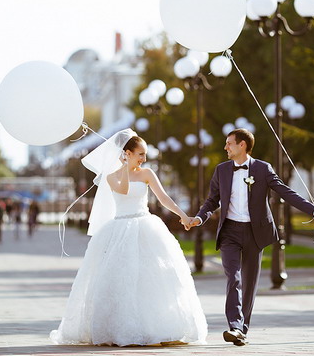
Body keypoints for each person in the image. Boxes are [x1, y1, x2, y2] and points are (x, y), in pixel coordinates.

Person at [50, 129, 207, 346]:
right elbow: (123, 190)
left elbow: (163, 198)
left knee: (151, 278)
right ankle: (121, 329)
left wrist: (183, 216)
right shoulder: (113, 177)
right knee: (121, 279)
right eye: (140, 154)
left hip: (145, 225)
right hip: (119, 230)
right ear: (127, 153)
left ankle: (155, 327)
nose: (143, 158)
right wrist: (124, 167)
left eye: (144, 154)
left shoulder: (147, 173)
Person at [186, 128, 314, 346]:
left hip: (255, 232)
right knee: (233, 276)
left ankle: (242, 331)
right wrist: (199, 219)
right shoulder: (221, 170)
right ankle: (235, 326)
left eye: (229, 143)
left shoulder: (262, 169)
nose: (225, 147)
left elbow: (286, 192)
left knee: (250, 282)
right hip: (229, 232)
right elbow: (212, 201)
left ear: (242, 145)